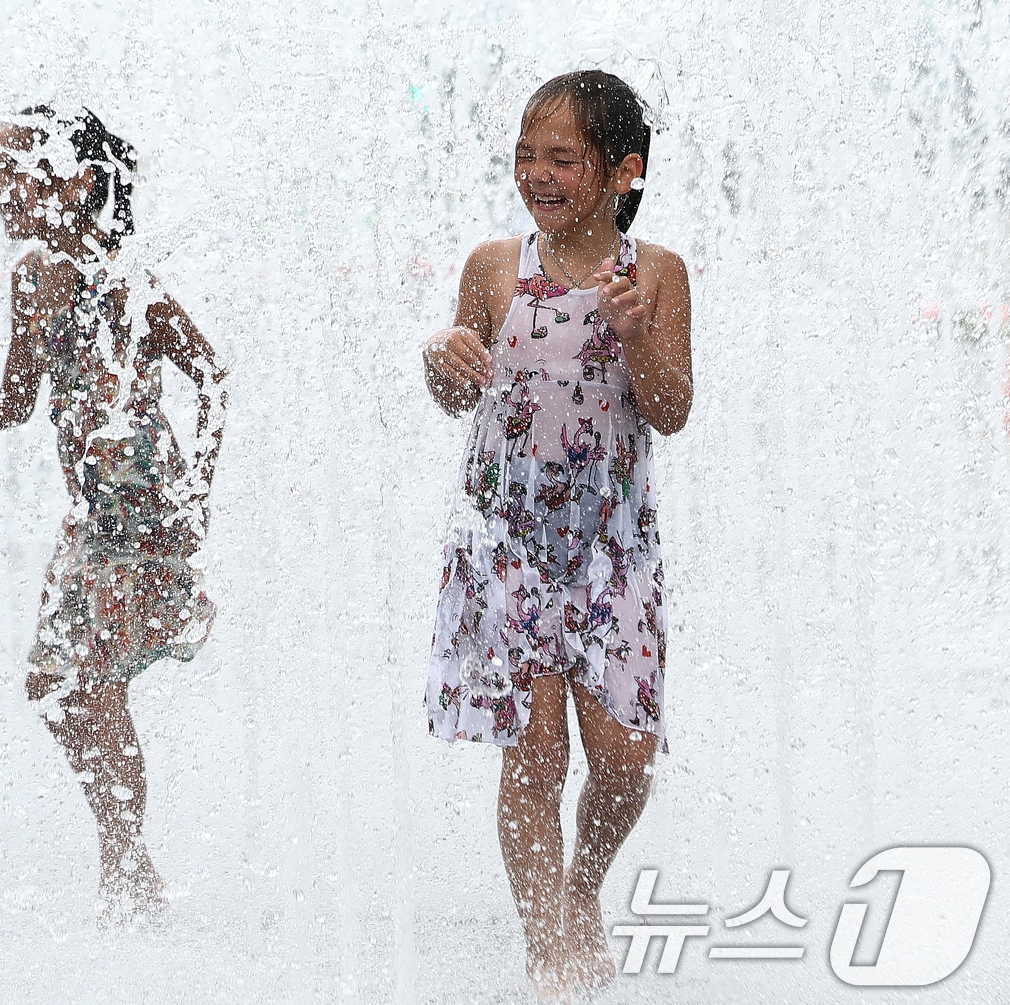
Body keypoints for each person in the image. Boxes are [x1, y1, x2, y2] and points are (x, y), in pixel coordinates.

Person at [422, 71, 692, 1000]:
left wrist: (637, 334)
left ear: (623, 171)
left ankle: (584, 886)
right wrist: (443, 358)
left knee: (623, 761)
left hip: (613, 552)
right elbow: (455, 393)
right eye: (525, 154)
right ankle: (547, 951)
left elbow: (672, 409)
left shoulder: (654, 274)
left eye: (563, 157)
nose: (537, 172)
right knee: (535, 759)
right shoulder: (495, 267)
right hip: (507, 545)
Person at [0, 104, 227, 923]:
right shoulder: (30, 277)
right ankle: (127, 856)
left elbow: (211, 372)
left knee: (95, 686)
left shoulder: (128, 280)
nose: (0, 190)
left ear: (79, 181)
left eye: (14, 172)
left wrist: (198, 491)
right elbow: (18, 399)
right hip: (90, 515)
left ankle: (125, 868)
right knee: (50, 685)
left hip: (144, 508)